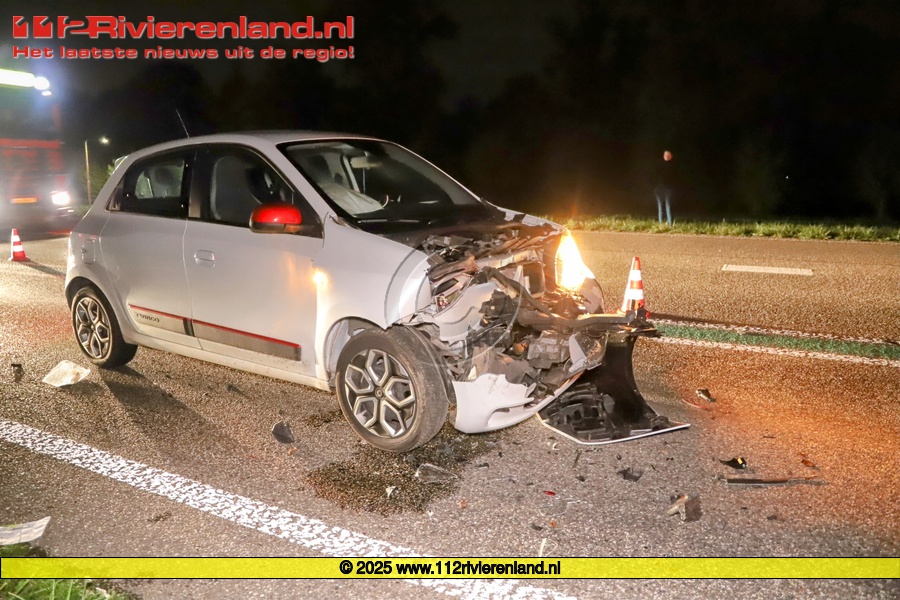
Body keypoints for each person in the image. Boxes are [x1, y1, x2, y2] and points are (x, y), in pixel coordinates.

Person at [654, 150, 675, 225]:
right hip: (661, 188)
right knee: (662, 206)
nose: (666, 156)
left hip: (666, 188)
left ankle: (668, 223)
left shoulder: (671, 166)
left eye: (668, 155)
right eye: (665, 155)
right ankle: (664, 223)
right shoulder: (662, 165)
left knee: (666, 205)